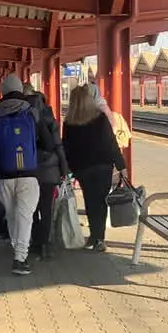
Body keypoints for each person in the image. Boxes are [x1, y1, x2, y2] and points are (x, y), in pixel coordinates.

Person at [0, 73, 55, 276]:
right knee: (25, 216)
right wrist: (33, 156)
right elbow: (49, 143)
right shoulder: (32, 111)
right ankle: (20, 258)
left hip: (4, 174)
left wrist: (4, 158)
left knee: (12, 216)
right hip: (29, 173)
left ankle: (18, 250)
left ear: (3, 91)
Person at [62, 84, 126, 253]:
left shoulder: (69, 122)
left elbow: (66, 147)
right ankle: (99, 238)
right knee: (101, 202)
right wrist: (122, 166)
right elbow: (111, 144)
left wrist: (66, 169)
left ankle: (93, 236)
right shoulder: (100, 118)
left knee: (90, 201)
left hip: (83, 168)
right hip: (102, 166)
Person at [23, 86, 69, 261]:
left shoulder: (21, 114)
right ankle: (45, 244)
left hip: (29, 169)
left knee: (31, 210)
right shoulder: (49, 115)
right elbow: (57, 144)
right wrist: (64, 169)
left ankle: (35, 244)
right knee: (46, 209)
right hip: (50, 170)